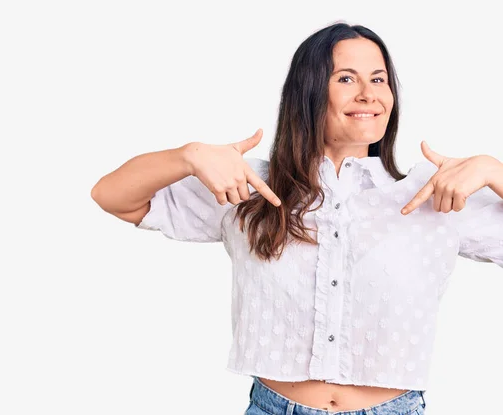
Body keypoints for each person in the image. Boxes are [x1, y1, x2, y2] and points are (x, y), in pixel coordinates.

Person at [91, 22, 503, 415]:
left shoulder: (435, 194)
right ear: (308, 92)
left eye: (378, 79)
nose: (368, 94)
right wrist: (188, 155)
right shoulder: (247, 185)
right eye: (346, 78)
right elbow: (112, 196)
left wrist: (494, 171)